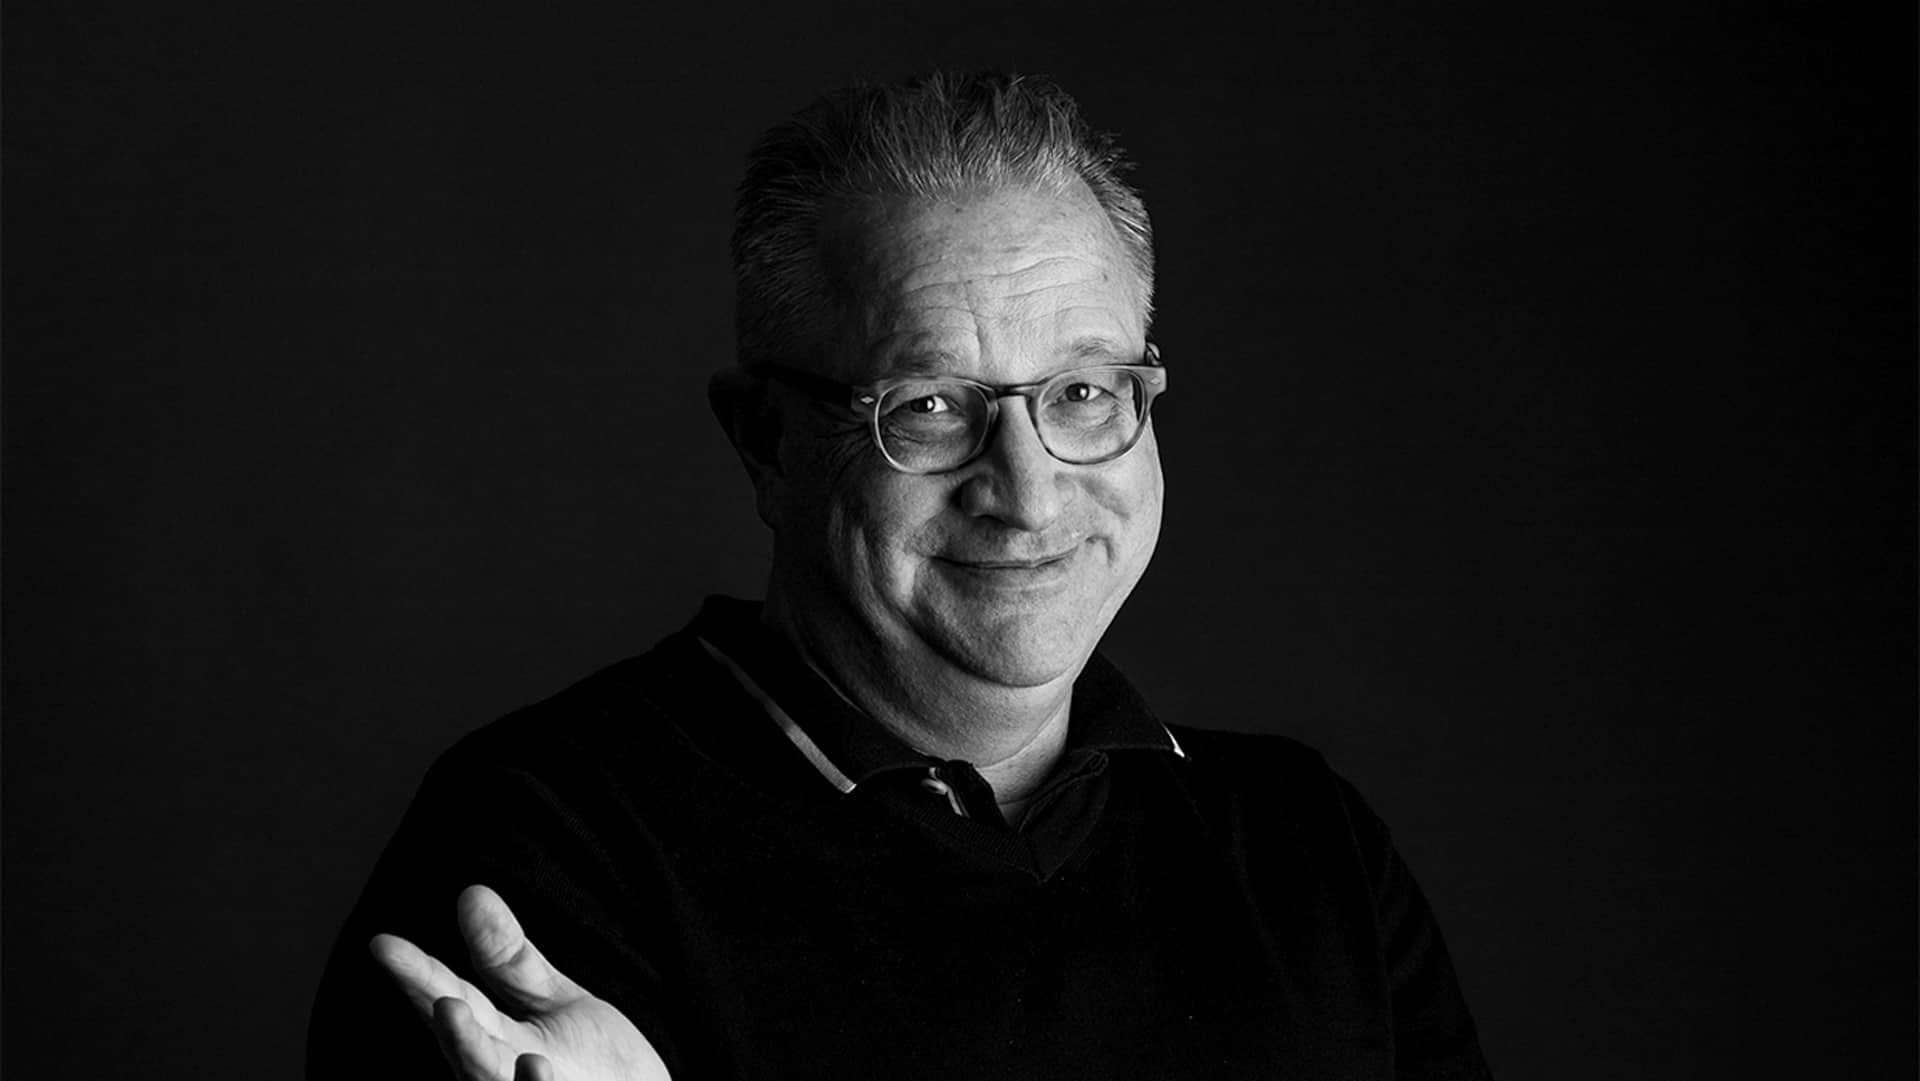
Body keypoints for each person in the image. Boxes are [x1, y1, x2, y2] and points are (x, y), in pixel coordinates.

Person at [306, 70, 1493, 1081]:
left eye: (1084, 392)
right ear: (768, 443)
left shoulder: (1303, 844)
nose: (1027, 491)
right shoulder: (541, 850)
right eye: (927, 407)